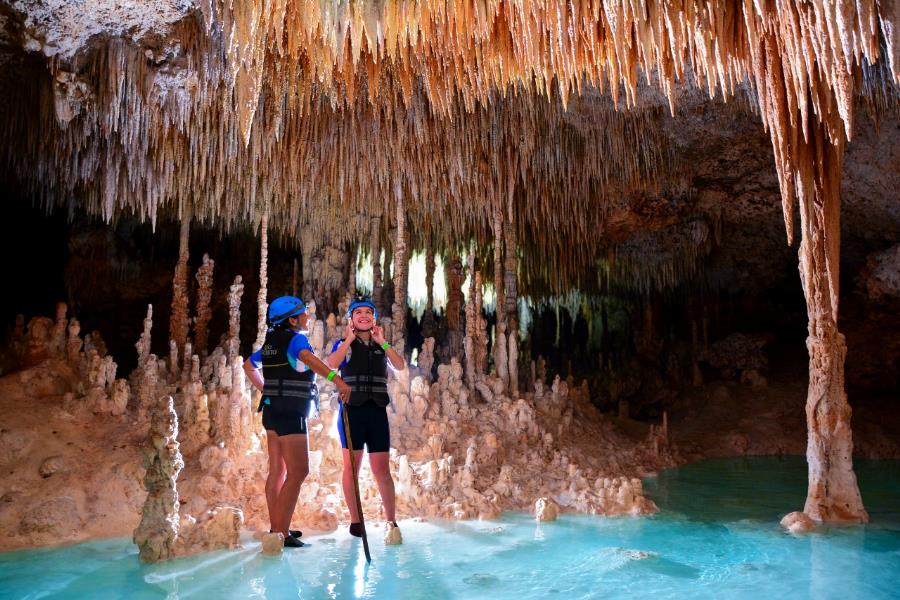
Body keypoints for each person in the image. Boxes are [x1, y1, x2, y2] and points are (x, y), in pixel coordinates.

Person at [244, 296, 351, 548]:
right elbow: (310, 360)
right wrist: (339, 381)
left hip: (271, 412)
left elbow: (249, 366)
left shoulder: (270, 343)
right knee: (298, 471)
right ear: (292, 319)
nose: (308, 318)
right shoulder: (297, 339)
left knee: (278, 472)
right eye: (303, 314)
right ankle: (280, 535)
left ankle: (277, 527)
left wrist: (267, 389)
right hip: (291, 412)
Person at [326, 295, 405, 541]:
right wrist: (348, 339)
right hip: (352, 412)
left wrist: (383, 342)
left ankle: (391, 521)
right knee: (352, 468)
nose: (363, 316)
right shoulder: (343, 343)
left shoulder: (381, 345)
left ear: (374, 320)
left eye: (368, 313)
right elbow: (330, 366)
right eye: (358, 313)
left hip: (377, 411)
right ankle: (356, 520)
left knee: (382, 468)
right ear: (351, 319)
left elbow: (400, 365)